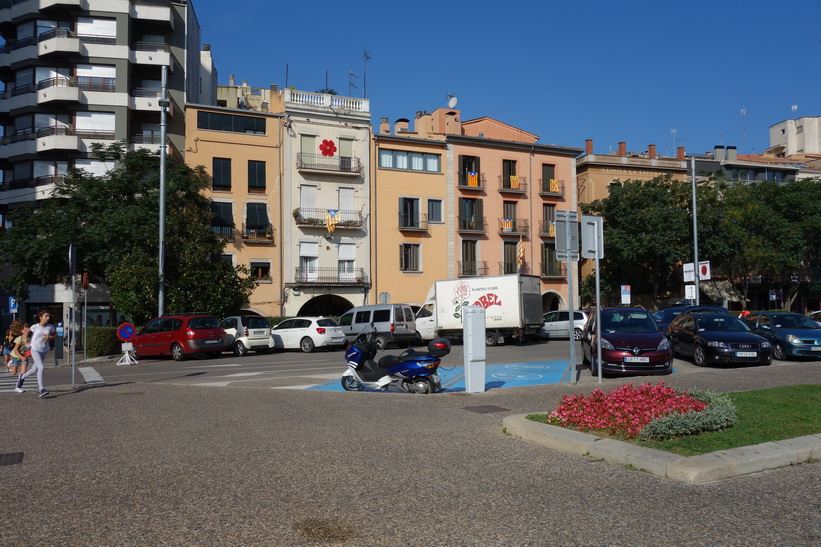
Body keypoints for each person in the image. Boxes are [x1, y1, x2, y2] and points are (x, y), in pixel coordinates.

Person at [16, 311, 57, 397]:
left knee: (34, 370)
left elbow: (56, 335)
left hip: (44, 350)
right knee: (41, 367)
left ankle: (22, 377)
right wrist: (25, 341)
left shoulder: (50, 327)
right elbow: (26, 331)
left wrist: (50, 337)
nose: (48, 318)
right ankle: (41, 389)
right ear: (40, 317)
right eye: (46, 316)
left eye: (49, 316)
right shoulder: (35, 326)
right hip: (35, 349)